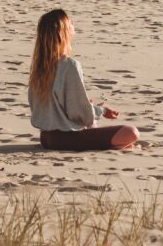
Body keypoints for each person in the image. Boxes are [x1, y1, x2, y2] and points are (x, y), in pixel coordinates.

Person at [28, 8, 139, 150]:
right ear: (63, 32)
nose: (73, 25)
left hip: (46, 137)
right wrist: (101, 111)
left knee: (91, 109)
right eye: (70, 23)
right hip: (66, 138)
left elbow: (39, 107)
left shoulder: (39, 68)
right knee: (131, 132)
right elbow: (81, 114)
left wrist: (90, 106)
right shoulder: (69, 65)